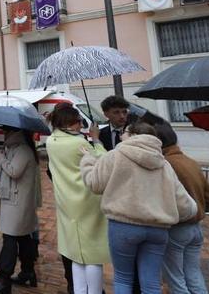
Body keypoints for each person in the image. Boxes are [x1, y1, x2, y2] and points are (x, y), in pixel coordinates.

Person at [80, 121, 197, 294]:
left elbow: (94, 184)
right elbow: (185, 204)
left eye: (125, 131)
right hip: (158, 229)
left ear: (132, 133)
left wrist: (88, 161)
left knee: (123, 278)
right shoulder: (163, 163)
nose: (121, 135)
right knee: (150, 282)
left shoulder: (116, 155)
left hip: (123, 226)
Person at [47, 104, 109, 294]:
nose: (80, 125)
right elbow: (104, 160)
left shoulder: (51, 140)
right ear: (70, 122)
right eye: (78, 121)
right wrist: (96, 139)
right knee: (92, 254)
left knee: (75, 253)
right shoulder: (77, 143)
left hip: (66, 201)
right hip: (87, 201)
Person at [155, 122, 209, 294]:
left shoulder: (165, 165)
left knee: (176, 280)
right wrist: (197, 211)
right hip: (195, 228)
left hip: (176, 228)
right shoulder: (190, 162)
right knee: (193, 275)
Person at [0, 128, 41, 294]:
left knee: (10, 238)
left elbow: (14, 171)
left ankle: (4, 279)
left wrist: (2, 160)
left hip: (17, 202)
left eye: (6, 131)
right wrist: (1, 163)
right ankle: (27, 272)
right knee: (23, 237)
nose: (4, 133)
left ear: (15, 133)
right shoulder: (14, 149)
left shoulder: (23, 150)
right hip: (14, 201)